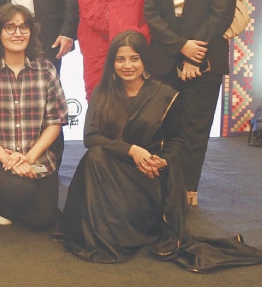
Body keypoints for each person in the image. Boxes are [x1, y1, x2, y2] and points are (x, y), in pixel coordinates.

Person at [59, 31, 262, 270]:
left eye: (134, 58)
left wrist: (162, 161)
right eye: (120, 59)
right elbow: (91, 138)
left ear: (145, 60)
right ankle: (111, 232)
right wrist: (132, 150)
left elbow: (176, 140)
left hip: (149, 175)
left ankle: (130, 226)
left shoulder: (164, 95)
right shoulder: (103, 93)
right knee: (95, 157)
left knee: (102, 160)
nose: (127, 65)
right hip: (112, 171)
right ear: (112, 63)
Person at [144, 0, 238, 207]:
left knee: (195, 127)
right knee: (168, 126)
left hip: (205, 60)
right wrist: (180, 48)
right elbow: (152, 15)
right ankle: (166, 184)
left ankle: (188, 189)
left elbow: (220, 13)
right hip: (166, 60)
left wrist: (193, 55)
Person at [0, 4, 67, 230]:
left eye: (23, 27)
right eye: (10, 27)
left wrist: (29, 157)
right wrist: (6, 158)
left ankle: (18, 204)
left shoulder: (46, 69)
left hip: (37, 158)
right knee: (20, 188)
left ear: (31, 32)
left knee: (45, 220)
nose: (17, 33)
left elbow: (55, 122)